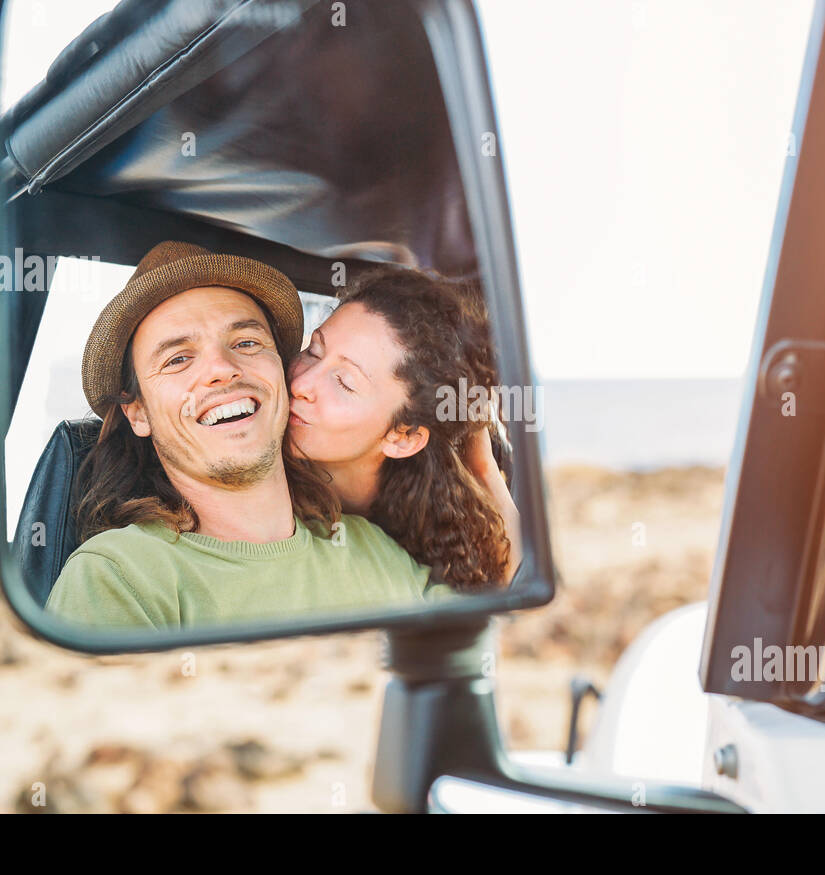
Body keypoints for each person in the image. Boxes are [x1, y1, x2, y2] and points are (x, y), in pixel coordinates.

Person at [46, 240, 456, 629]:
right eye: (178, 359)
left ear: (280, 368)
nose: (221, 368)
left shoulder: (374, 551)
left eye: (246, 342)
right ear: (138, 413)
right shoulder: (117, 578)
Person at [286, 268, 521, 589]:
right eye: (313, 351)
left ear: (404, 437)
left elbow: (513, 588)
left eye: (344, 382)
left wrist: (483, 468)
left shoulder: (441, 523)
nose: (300, 383)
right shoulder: (264, 488)